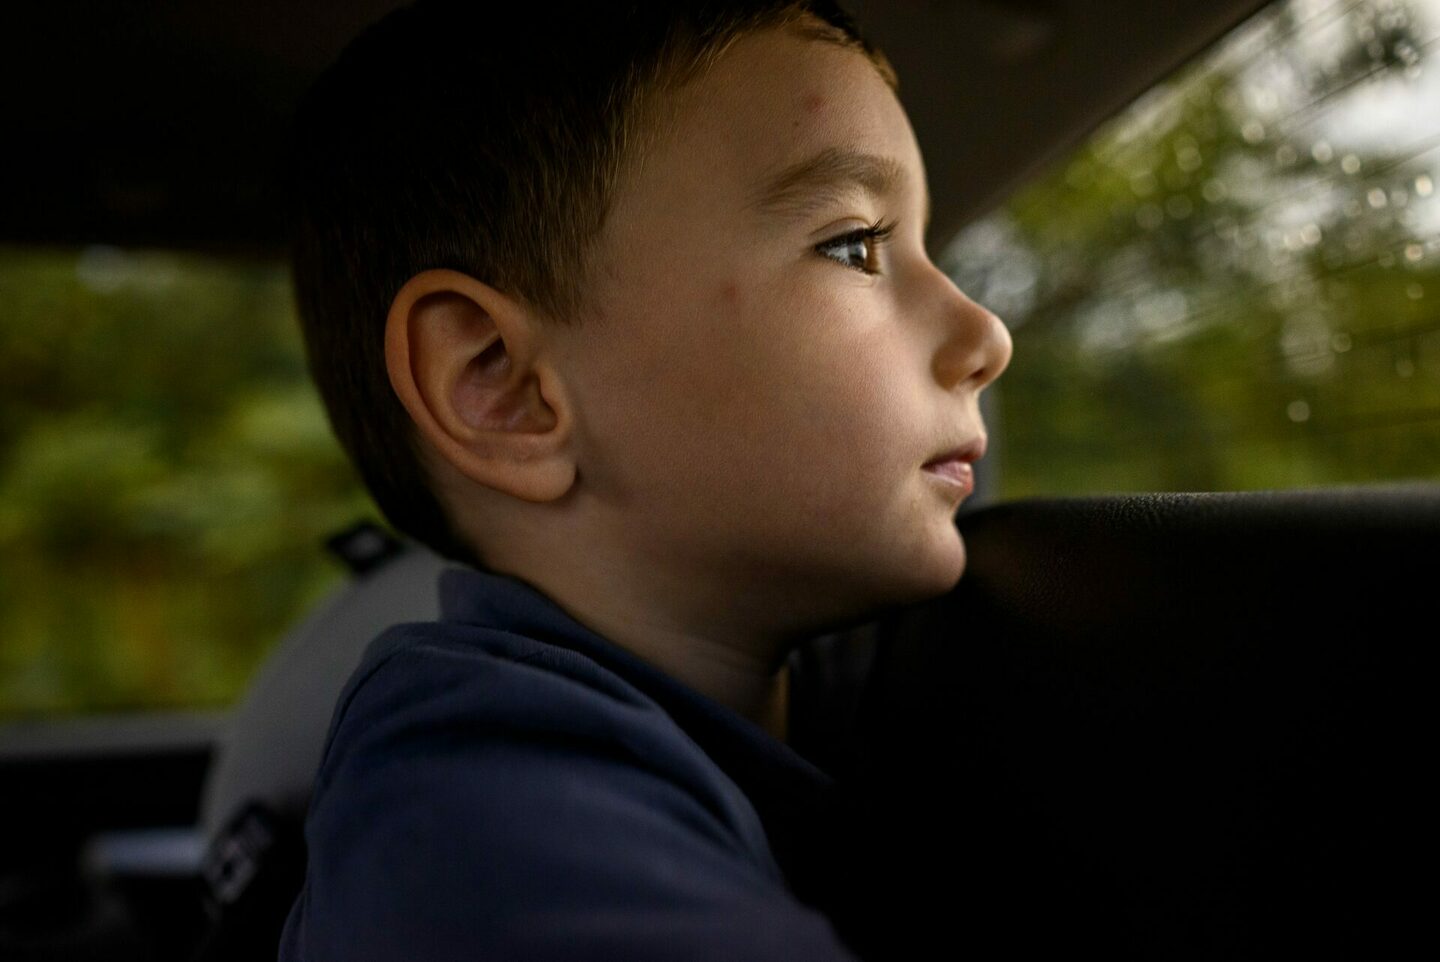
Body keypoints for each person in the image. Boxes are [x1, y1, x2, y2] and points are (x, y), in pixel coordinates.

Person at [276, 0, 1011, 958]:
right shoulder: (473, 811)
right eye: (854, 245)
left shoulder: (857, 693)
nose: (986, 336)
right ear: (502, 387)